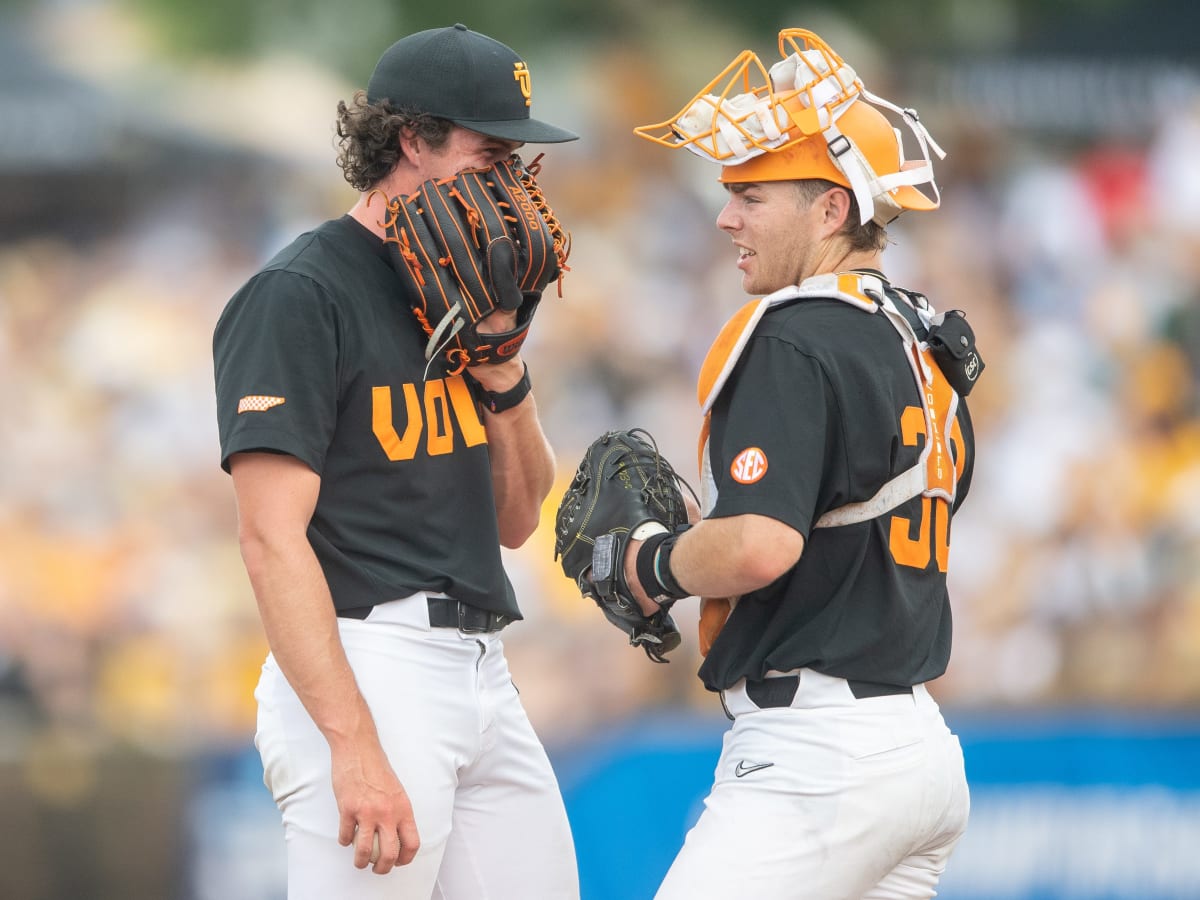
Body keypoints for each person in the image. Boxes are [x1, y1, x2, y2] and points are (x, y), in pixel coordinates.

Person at [212, 24, 579, 900]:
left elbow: (519, 520)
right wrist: (352, 743)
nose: (513, 180)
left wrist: (505, 375)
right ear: (412, 141)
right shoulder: (300, 294)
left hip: (484, 666)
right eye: (492, 153)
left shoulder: (465, 286)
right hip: (368, 659)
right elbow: (269, 540)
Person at [626, 29, 979, 898]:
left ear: (829, 210)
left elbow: (759, 545)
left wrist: (648, 560)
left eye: (751, 194)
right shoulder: (917, 333)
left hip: (819, 754)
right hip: (918, 746)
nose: (725, 215)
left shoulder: (794, 335)